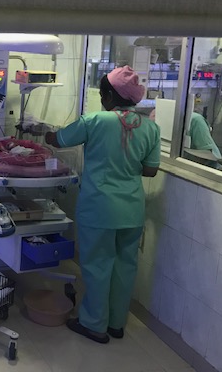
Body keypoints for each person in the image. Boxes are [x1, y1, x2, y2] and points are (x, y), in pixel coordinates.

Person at [45, 66, 160, 344]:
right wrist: (127, 163)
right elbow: (150, 170)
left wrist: (44, 132)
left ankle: (94, 324)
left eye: (102, 94)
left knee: (97, 265)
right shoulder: (150, 127)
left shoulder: (95, 121)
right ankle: (116, 324)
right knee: (124, 267)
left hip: (99, 208)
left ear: (108, 95)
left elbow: (58, 140)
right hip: (131, 210)